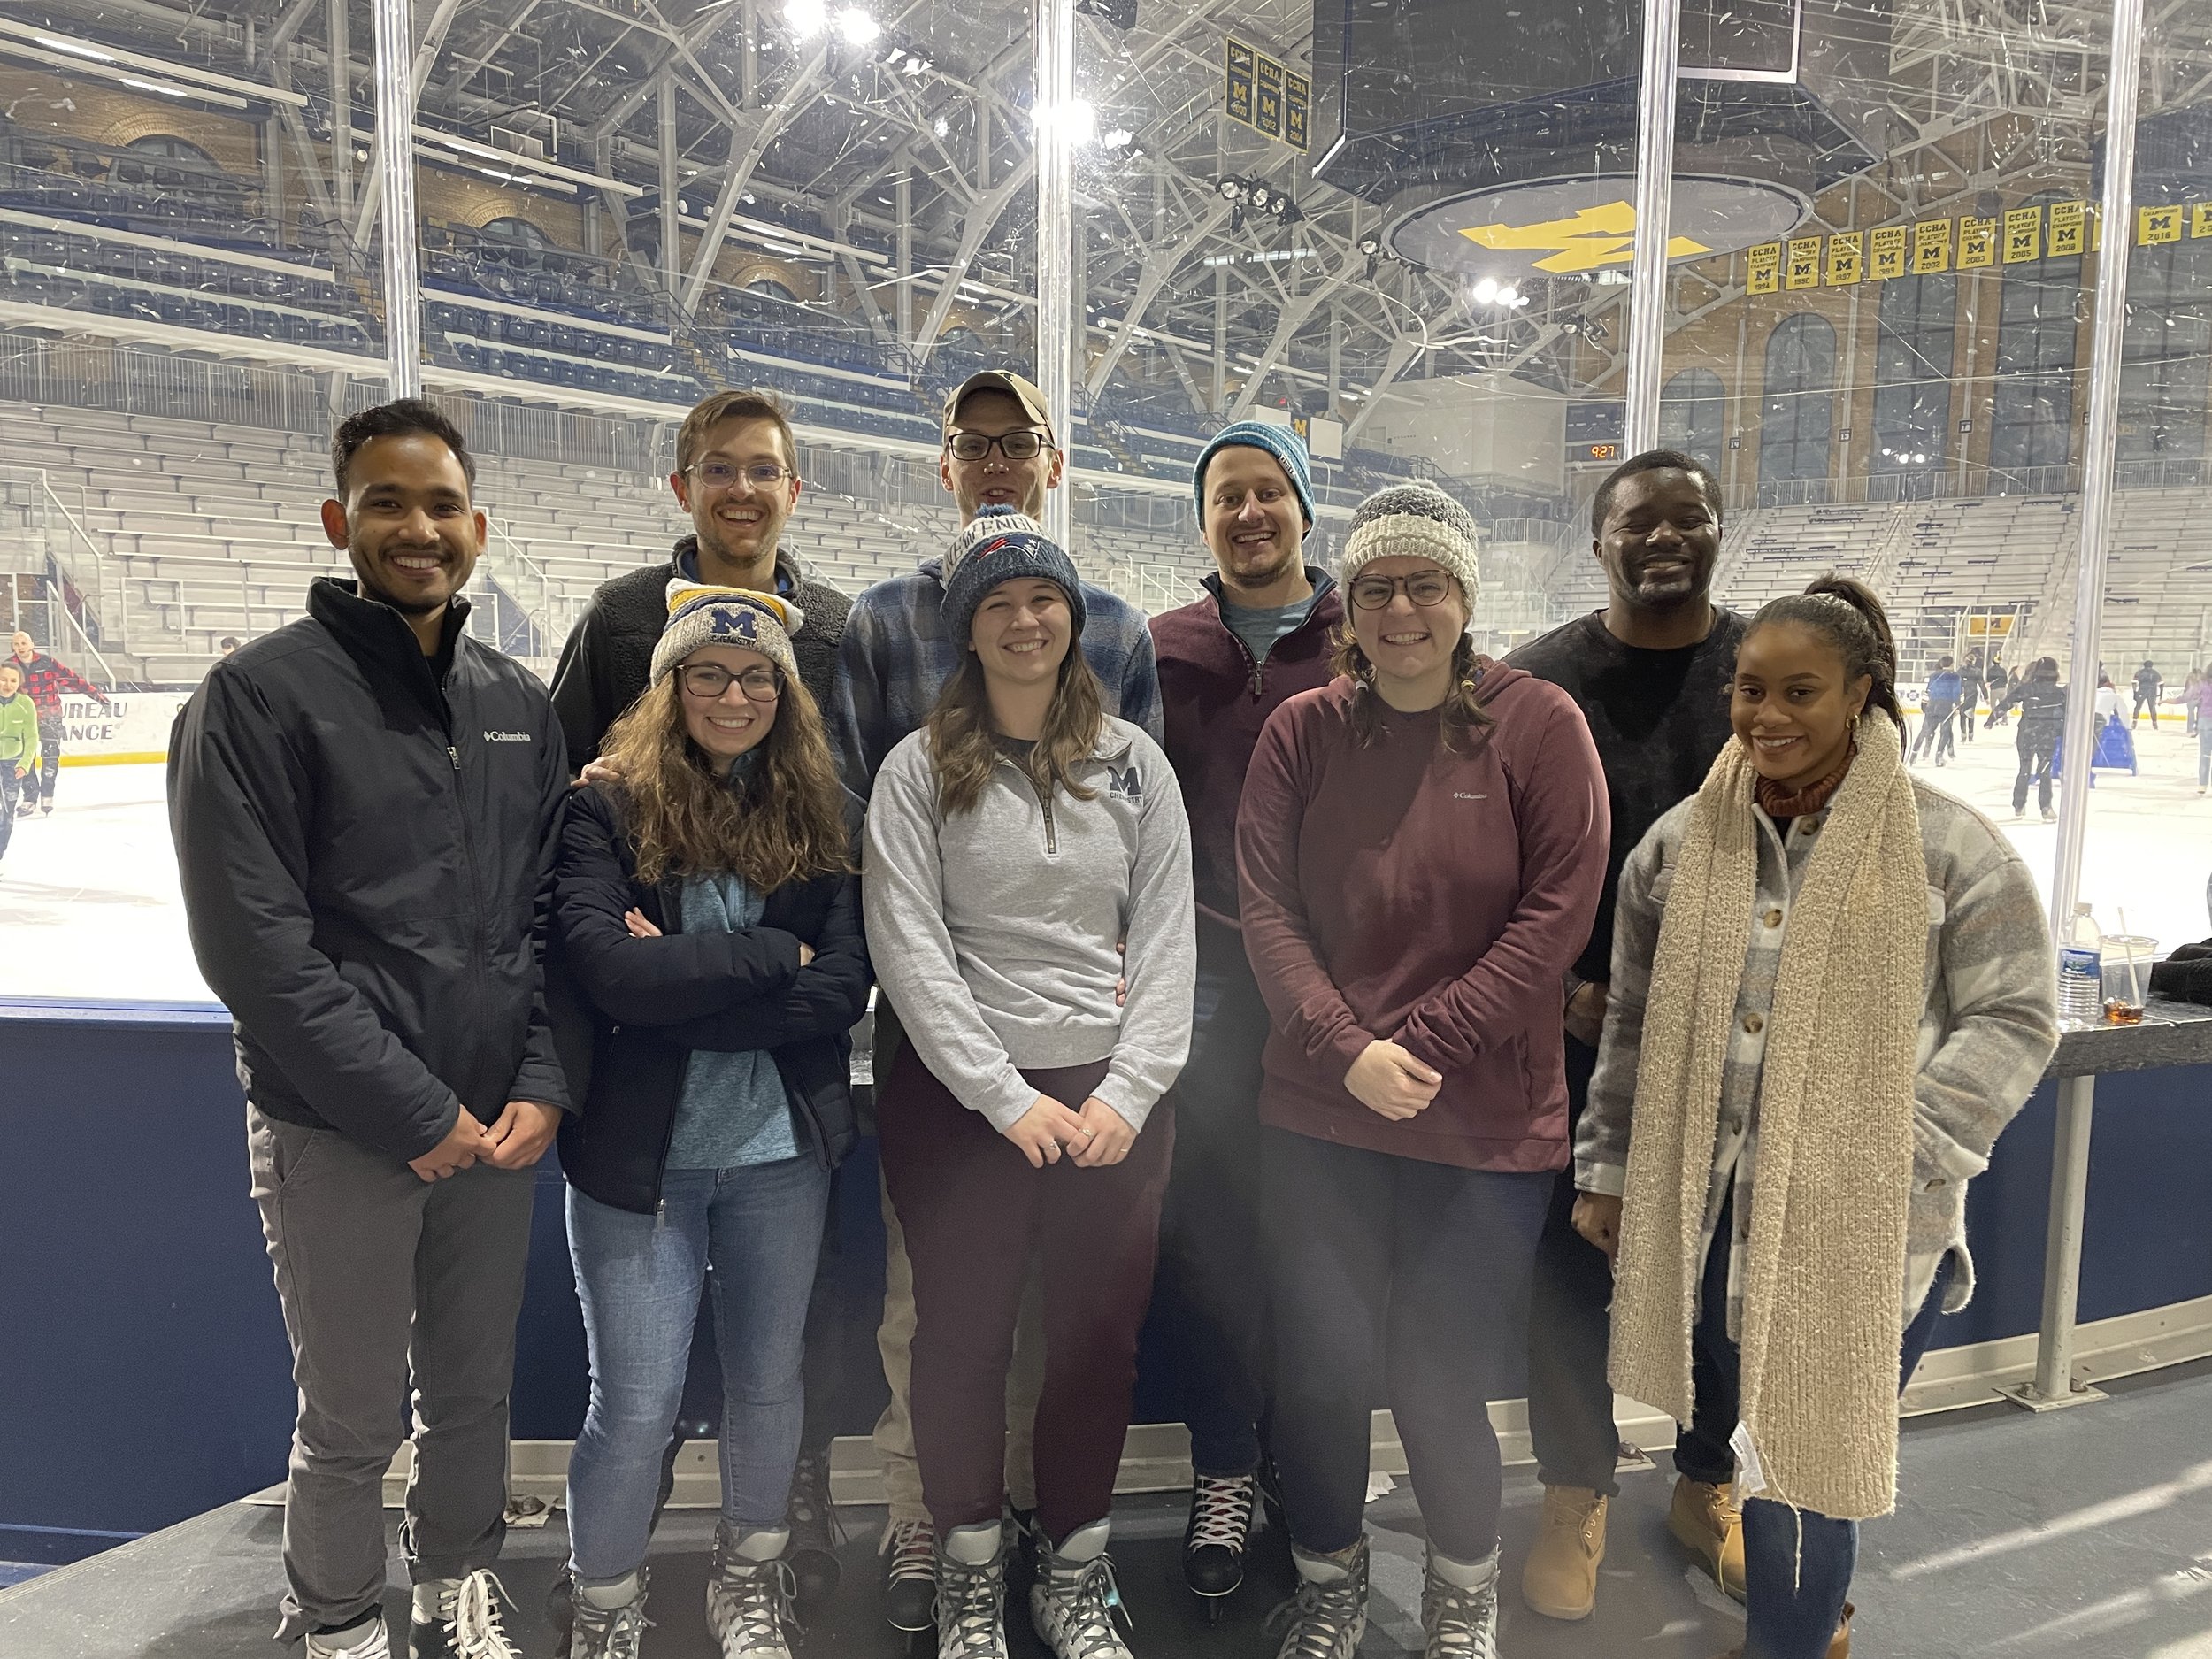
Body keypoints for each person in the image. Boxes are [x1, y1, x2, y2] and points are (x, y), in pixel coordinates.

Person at [1572, 576, 2059, 1659]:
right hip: (1704, 1215)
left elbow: (2017, 1013)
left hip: (1864, 1229)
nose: (1769, 716)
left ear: (1860, 696)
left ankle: (1790, 1642)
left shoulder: (1950, 849)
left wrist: (1902, 1152)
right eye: (1751, 689)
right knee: (1723, 1411)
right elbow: (1634, 1026)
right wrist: (1606, 1168)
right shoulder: (1678, 848)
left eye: (1801, 691)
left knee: (1808, 1457)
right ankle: (1710, 1510)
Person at [168, 400, 572, 1659]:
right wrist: (414, 1109)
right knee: (348, 1414)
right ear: (342, 521)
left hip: (496, 1130)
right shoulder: (257, 696)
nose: (418, 528)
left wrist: (542, 1079)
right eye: (389, 503)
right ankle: (336, 1615)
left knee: (472, 1395)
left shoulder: (516, 699)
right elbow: (258, 951)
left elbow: (553, 915)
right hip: (343, 1129)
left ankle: (458, 1581)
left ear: (478, 528)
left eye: (442, 505)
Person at [1237, 483, 1608, 1659]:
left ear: (1463, 598)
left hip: (1483, 1120)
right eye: (1380, 585)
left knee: (1441, 1375)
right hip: (1322, 1114)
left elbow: (1558, 914)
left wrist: (1426, 1044)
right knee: (1324, 1367)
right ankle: (1331, 1580)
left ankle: (1461, 1587)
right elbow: (1266, 905)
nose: (1402, 607)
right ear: (1348, 602)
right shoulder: (1304, 728)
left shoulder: (1539, 722)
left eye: (1427, 583)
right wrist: (1347, 1051)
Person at [831, 370, 1164, 1633]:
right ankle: (941, 1522)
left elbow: (1141, 873)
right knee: (939, 1317)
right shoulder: (879, 626)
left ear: (1053, 457)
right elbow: (875, 857)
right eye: (973, 446)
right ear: (946, 465)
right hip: (947, 1060)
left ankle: (1044, 1529)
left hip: (1087, 1057)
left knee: (1068, 1324)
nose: (996, 461)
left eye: (1016, 441)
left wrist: (1122, 1062)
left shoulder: (1116, 632)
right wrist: (973, 1061)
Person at [548, 387, 853, 1603]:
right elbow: (605, 968)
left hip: (781, 1148)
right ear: (665, 683)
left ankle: (750, 1580)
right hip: (643, 1147)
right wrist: (754, 965)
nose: (733, 694)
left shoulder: (823, 811)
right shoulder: (607, 799)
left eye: (756, 677)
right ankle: (605, 1598)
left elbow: (834, 988)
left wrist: (674, 988)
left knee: (770, 1383)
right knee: (636, 1398)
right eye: (707, 675)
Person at [1504, 448, 1750, 1623]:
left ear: (1718, 530)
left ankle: (1706, 1478)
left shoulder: (1768, 673)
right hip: (1570, 1049)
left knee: (1720, 1280)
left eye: (1687, 516)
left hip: (1729, 1048)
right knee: (1565, 1281)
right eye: (1637, 520)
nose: (1664, 536)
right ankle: (1575, 1490)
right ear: (1597, 540)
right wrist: (1550, 984)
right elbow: (1478, 858)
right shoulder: (1537, 680)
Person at [1146, 420, 1343, 1613]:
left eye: (1271, 490)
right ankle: (1225, 1466)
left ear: (1305, 507)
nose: (1251, 511)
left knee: (1317, 1249)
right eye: (1228, 495)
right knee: (1211, 1245)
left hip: (1330, 995)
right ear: (1205, 518)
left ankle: (1308, 1474)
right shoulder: (1158, 646)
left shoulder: (1363, 639)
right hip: (1209, 986)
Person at [551, 389, 849, 764]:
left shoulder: (840, 628)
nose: (742, 489)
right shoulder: (614, 616)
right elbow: (559, 770)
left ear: (792, 493)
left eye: (764, 471)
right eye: (718, 470)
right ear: (682, 491)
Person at [7, 629, 111, 817]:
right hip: (22, 721)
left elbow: (73, 680)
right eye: (16, 644)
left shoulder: (47, 663)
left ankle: (48, 794)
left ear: (32, 644)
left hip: (50, 717)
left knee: (50, 758)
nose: (20, 647)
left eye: (24, 643)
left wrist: (97, 696)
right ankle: (30, 797)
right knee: (24, 760)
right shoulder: (10, 667)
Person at [1993, 657, 2065, 820]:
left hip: (2027, 731)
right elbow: (2067, 714)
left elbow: (2007, 703)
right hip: (2048, 733)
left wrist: (1992, 718)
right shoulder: (2059, 692)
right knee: (2045, 770)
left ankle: (2019, 805)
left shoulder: (2028, 688)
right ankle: (2046, 807)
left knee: (2024, 769)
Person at [0, 660, 32, 869]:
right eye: (3, 679)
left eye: (13, 680)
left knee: (6, 813)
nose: (8, 684)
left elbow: (32, 737)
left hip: (13, 763)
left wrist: (25, 763)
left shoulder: (25, 703)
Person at [1911, 655, 1960, 767]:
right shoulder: (1955, 676)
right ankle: (1939, 756)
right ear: (1952, 664)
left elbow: (1928, 690)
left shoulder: (1933, 676)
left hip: (1932, 706)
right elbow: (1957, 692)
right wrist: (1957, 705)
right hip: (1946, 707)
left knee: (1925, 730)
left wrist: (1924, 705)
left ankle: (1914, 754)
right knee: (1945, 731)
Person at [1956, 650, 1984, 744]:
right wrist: (1986, 696)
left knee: (1962, 715)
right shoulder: (1977, 671)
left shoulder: (1960, 671)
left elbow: (1956, 683)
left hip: (1962, 693)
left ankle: (1963, 735)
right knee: (1970, 714)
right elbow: (1981, 684)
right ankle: (1971, 735)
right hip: (1972, 694)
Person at [2132, 658, 2162, 728]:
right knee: (2152, 708)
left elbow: (2134, 683)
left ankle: (2134, 721)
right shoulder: (2155, 673)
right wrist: (2161, 694)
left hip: (2142, 691)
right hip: (2152, 692)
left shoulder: (2140, 672)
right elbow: (2161, 684)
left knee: (2138, 707)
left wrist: (2135, 693)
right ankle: (2154, 723)